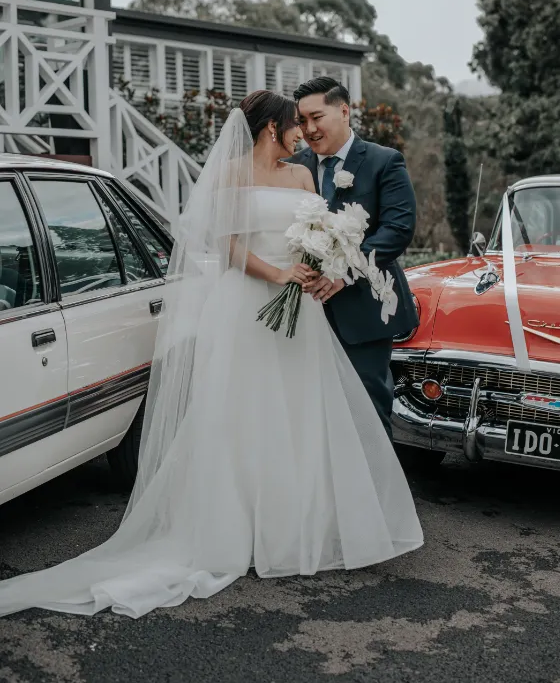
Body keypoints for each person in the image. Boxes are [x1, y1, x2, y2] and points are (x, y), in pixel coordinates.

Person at [0, 91, 422, 619]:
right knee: (243, 413)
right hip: (247, 304)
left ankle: (296, 525)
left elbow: (314, 235)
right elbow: (227, 247)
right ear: (273, 128)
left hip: (301, 313)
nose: (303, 135)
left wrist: (316, 264)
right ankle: (236, 524)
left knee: (298, 410)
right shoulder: (229, 175)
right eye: (297, 125)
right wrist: (279, 274)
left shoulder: (303, 177)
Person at [289, 77, 419, 441]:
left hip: (363, 309)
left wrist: (344, 273)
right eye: (302, 121)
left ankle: (373, 494)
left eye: (317, 117)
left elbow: (397, 228)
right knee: (308, 410)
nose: (309, 129)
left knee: (365, 410)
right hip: (302, 312)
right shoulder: (293, 167)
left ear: (344, 111)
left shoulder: (383, 161)